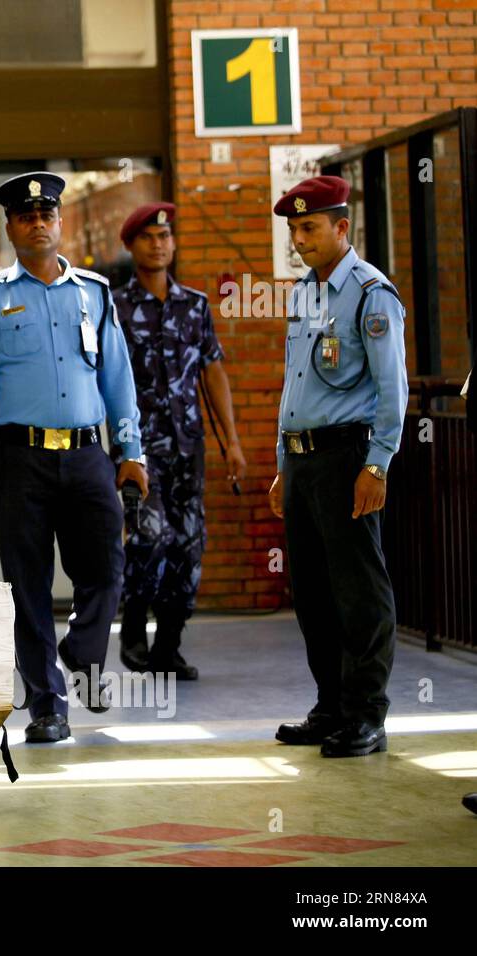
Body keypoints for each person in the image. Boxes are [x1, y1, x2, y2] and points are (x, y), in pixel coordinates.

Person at [0, 172, 148, 743]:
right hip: (20, 459)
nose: (38, 223)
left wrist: (131, 450)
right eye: (26, 216)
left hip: (89, 454)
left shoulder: (95, 292)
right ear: (10, 228)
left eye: (47, 214)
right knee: (27, 584)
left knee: (107, 565)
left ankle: (83, 654)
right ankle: (46, 704)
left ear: (59, 223)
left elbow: (119, 380)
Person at [269, 175, 408, 759]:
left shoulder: (371, 292)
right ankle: (330, 708)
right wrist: (282, 465)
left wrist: (376, 467)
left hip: (348, 458)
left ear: (341, 227)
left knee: (358, 592)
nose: (299, 240)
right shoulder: (304, 293)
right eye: (294, 230)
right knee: (314, 595)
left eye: (309, 228)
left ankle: (365, 716)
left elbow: (391, 389)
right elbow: (293, 385)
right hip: (302, 464)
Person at [113, 202, 245, 679]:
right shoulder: (115, 307)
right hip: (138, 449)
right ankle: (132, 628)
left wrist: (231, 441)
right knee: (150, 537)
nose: (159, 244)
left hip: (189, 446)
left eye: (165, 237)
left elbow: (213, 371)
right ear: (130, 245)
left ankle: (168, 646)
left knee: (188, 546)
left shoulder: (195, 305)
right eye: (148, 237)